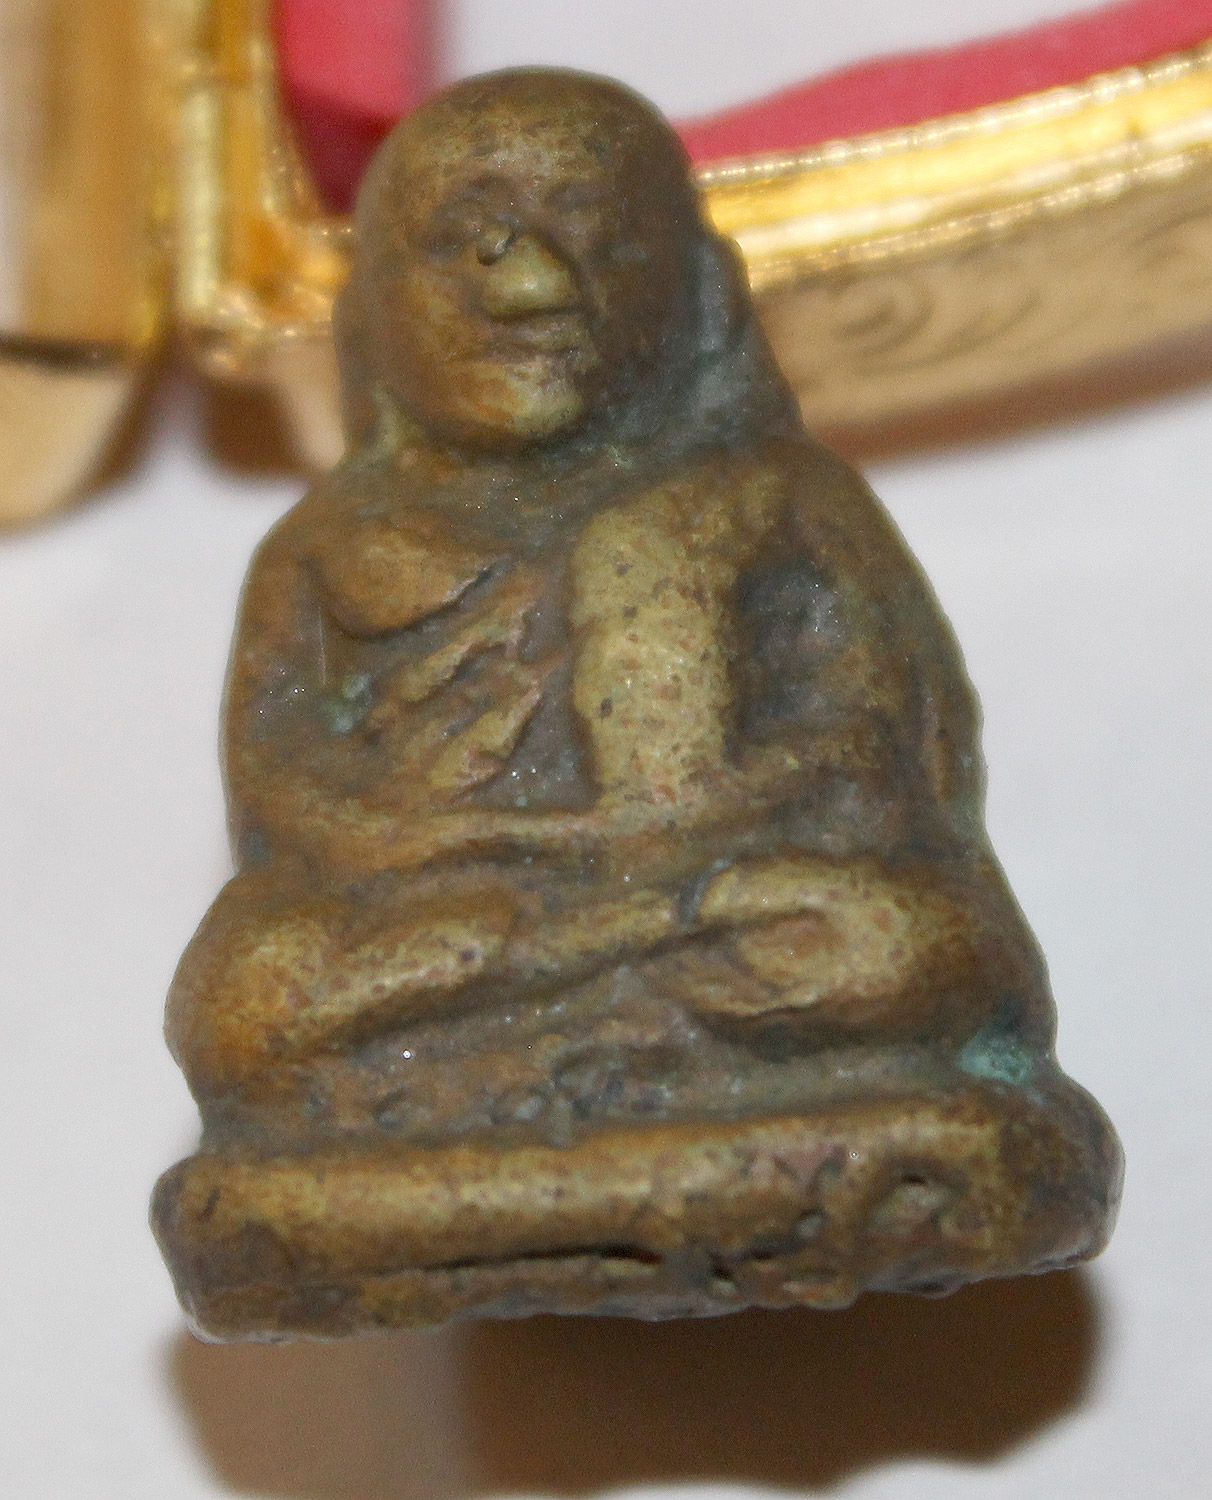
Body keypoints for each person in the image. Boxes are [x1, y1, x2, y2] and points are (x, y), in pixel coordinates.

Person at [156, 69, 1118, 1336]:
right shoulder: (324, 553)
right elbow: (284, 799)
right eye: (468, 242)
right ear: (376, 308)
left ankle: (523, 1090)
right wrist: (479, 857)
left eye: (599, 236)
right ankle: (549, 1074)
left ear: (699, 290)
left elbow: (893, 763)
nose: (533, 288)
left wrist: (684, 838)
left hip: (710, 910)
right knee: (248, 999)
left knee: (914, 951)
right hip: (456, 923)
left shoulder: (783, 502)